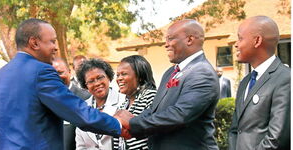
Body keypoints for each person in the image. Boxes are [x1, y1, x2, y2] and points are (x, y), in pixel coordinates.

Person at [0, 18, 129, 149]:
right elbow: (76, 111)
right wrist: (117, 123)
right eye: (52, 41)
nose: (55, 48)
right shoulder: (41, 71)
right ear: (34, 43)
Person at [116, 19, 220, 149]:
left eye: (170, 39)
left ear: (189, 40)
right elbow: (155, 110)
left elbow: (180, 115)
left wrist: (133, 123)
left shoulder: (202, 72)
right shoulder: (170, 72)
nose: (166, 44)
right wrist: (129, 124)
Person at [228, 16, 290, 150]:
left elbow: (277, 138)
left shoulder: (285, 78)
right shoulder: (246, 81)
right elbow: (235, 130)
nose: (236, 44)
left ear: (257, 41)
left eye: (240, 38)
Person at [75, 58, 126, 149]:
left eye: (100, 77)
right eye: (91, 81)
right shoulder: (82, 109)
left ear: (108, 77)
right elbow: (81, 146)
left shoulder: (124, 101)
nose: (97, 83)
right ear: (85, 85)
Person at [113, 55, 157, 150]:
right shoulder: (124, 104)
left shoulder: (151, 97)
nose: (119, 78)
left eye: (124, 74)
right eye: (117, 75)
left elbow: (154, 130)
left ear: (140, 77)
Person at [52, 58, 91, 150]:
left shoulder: (85, 98)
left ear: (70, 72)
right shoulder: (43, 99)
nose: (56, 77)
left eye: (60, 72)